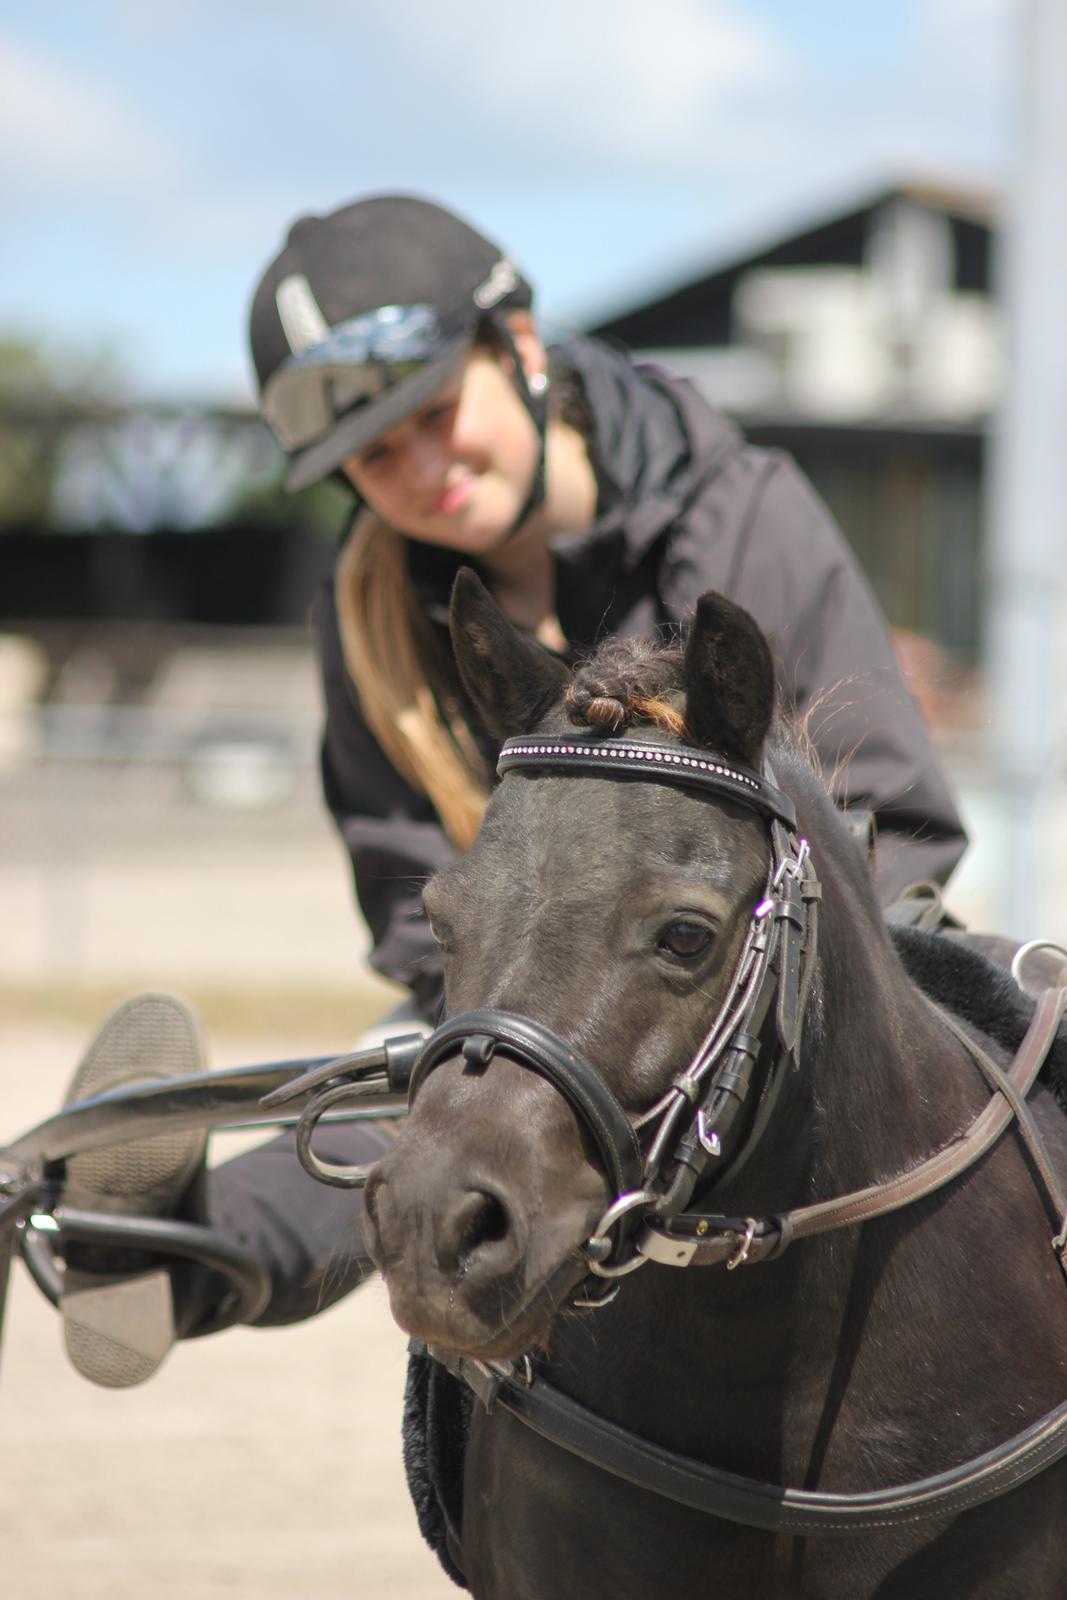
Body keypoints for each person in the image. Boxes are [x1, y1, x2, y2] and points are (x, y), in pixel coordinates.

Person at [62, 193, 967, 1369]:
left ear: (521, 351)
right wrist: (496, 1014)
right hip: (518, 997)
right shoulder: (370, 608)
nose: (423, 469)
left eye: (437, 413)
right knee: (429, 1099)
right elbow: (408, 892)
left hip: (774, 996)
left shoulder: (745, 514)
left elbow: (890, 823)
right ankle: (167, 1252)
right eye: (374, 455)